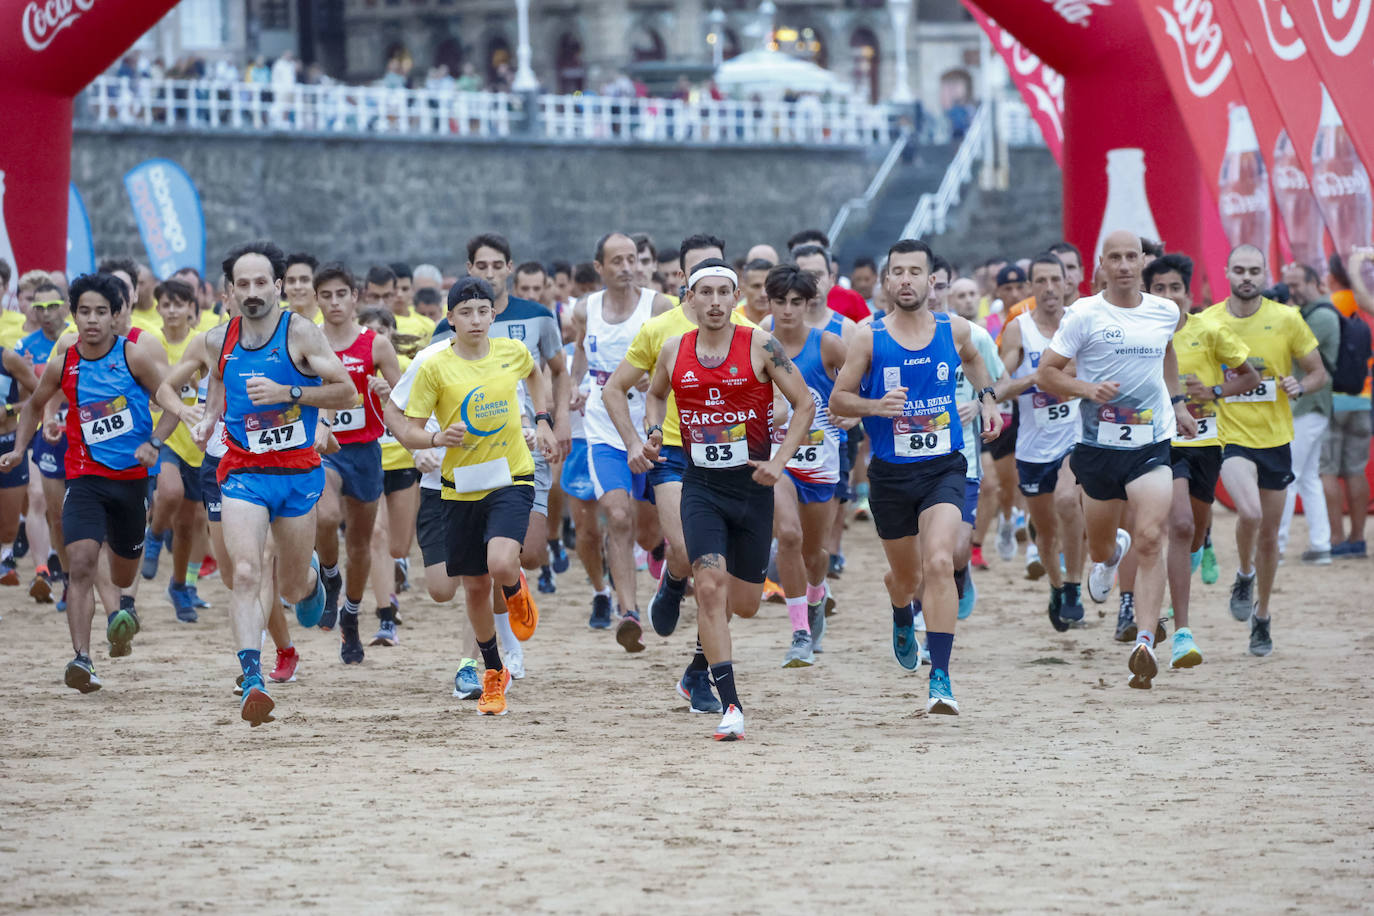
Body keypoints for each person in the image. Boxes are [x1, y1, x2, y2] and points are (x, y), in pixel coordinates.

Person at [643, 258, 816, 740]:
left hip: (753, 489)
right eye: (706, 293)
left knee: (744, 604)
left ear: (736, 299)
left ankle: (699, 661)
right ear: (690, 298)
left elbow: (806, 403)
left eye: (724, 293)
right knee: (710, 588)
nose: (715, 302)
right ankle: (731, 706)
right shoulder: (674, 350)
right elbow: (654, 395)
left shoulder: (760, 345)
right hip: (700, 489)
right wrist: (655, 430)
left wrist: (779, 463)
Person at [830, 239, 1002, 715]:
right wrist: (873, 407)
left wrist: (987, 398)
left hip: (943, 466)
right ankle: (901, 610)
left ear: (932, 281)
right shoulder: (868, 337)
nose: (906, 280)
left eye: (915, 272)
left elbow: (973, 359)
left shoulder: (955, 328)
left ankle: (941, 676)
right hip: (890, 475)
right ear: (886, 282)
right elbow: (838, 401)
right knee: (906, 578)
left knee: (940, 563)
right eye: (897, 272)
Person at [193, 241, 357, 726]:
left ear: (278, 286)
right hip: (243, 473)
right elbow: (217, 386)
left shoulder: (301, 333)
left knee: (290, 583)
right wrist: (204, 418)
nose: (252, 291)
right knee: (245, 573)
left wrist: (289, 391)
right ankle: (252, 676)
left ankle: (311, 582)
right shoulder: (219, 340)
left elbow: (345, 389)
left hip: (297, 473)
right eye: (242, 284)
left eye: (261, 282)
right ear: (231, 291)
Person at [0, 272, 178, 692]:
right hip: (85, 478)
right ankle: (82, 658)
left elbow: (169, 402)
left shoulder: (133, 357)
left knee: (120, 573)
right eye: (85, 312)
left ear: (116, 315)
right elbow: (34, 405)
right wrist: (19, 448)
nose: (93, 320)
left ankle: (124, 611)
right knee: (79, 564)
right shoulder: (65, 363)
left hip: (132, 482)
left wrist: (154, 442)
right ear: (74, 315)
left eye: (102, 311)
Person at [1037, 231, 1197, 690]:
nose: (1125, 265)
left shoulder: (1165, 311)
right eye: (1115, 258)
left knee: (1151, 537)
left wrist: (1179, 403)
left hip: (1151, 442)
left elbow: (1166, 354)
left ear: (1144, 260)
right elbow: (1048, 374)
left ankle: (1143, 640)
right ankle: (1107, 560)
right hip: (1099, 446)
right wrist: (1087, 390)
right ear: (1101, 264)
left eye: (1132, 256)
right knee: (1104, 545)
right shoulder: (1084, 314)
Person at [393, 277, 557, 717]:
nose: (476, 320)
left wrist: (542, 420)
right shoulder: (434, 366)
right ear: (450, 319)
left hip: (512, 476)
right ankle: (491, 673)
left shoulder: (512, 352)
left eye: (483, 311)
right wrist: (434, 437)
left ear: (493, 315)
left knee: (500, 563)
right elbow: (408, 426)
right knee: (474, 587)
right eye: (466, 312)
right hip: (460, 488)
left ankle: (517, 586)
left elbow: (536, 377)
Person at [602, 233, 741, 714]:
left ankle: (699, 671)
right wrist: (637, 441)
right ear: (684, 281)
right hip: (677, 454)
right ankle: (671, 578)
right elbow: (615, 389)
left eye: (719, 276)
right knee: (684, 550)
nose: (713, 291)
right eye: (700, 275)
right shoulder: (658, 329)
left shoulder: (744, 328)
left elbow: (781, 394)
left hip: (731, 458)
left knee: (721, 577)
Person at [1206, 244, 1326, 657]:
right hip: (1230, 436)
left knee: (1271, 538)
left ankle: (1263, 614)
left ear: (1264, 273)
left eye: (1254, 270)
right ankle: (1243, 575)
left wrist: (1300, 385)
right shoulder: (1209, 321)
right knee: (1251, 514)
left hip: (1276, 438)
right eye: (1239, 269)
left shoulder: (1287, 319)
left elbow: (1318, 372)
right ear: (1226, 272)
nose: (1246, 277)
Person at [1143, 252, 1256, 667]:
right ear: (1148, 293)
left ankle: (1172, 598)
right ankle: (1183, 632)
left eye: (1176, 289)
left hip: (1207, 444)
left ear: (1190, 295)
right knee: (1181, 524)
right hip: (1161, 443)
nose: (1169, 297)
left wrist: (1214, 392)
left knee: (1190, 531)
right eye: (1160, 289)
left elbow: (1251, 376)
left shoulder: (1210, 330)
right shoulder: (1144, 333)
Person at [568, 233, 670, 644]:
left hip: (651, 423)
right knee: (618, 514)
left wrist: (656, 379)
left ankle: (660, 555)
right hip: (603, 425)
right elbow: (579, 353)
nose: (627, 266)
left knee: (647, 532)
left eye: (632, 259)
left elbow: (678, 353)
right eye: (617, 260)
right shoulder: (583, 309)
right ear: (600, 267)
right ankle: (627, 611)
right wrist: (575, 387)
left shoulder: (659, 306)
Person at [314, 263, 402, 658]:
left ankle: (351, 615)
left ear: (356, 297)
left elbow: (405, 397)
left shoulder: (376, 345)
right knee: (327, 516)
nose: (334, 303)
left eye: (341, 294)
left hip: (365, 451)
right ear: (317, 300)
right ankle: (330, 577)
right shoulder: (307, 341)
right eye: (326, 295)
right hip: (324, 448)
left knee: (361, 545)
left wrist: (386, 390)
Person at [998, 253, 1085, 631]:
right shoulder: (1019, 329)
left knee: (1068, 502)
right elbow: (1000, 387)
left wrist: (1071, 377)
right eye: (1042, 281)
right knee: (1046, 531)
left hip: (1077, 438)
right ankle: (1056, 586)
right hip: (1033, 446)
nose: (1050, 288)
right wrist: (1038, 377)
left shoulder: (1081, 323)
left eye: (1056, 280)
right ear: (1032, 287)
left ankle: (1074, 587)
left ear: (1068, 283)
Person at [764, 264, 845, 666]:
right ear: (770, 302)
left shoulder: (828, 345)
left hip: (822, 462)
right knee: (789, 537)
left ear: (808, 304)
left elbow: (860, 387)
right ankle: (798, 632)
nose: (788, 310)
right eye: (780, 302)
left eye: (796, 302)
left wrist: (851, 413)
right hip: (778, 461)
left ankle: (816, 597)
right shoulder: (759, 345)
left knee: (817, 554)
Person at [142, 278, 212, 621]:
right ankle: (154, 535)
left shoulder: (203, 344)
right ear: (158, 308)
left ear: (191, 309)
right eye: (166, 304)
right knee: (169, 492)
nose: (172, 311)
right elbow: (153, 389)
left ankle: (181, 585)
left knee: (190, 524)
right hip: (169, 438)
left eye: (178, 304)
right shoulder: (151, 345)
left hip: (200, 442)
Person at [1277, 262, 1339, 563]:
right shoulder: (1310, 313)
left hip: (1309, 405)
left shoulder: (1323, 315)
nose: (1291, 291)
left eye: (1296, 284)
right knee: (1308, 478)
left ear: (1314, 282)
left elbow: (1288, 347)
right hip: (1310, 405)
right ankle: (1320, 544)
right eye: (1287, 285)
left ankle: (1275, 546)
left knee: (1288, 476)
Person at [1322, 253, 1372, 559]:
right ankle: (1358, 538)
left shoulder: (1328, 305)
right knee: (1356, 471)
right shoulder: (1366, 307)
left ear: (1330, 276)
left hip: (1331, 399)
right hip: (1362, 399)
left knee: (1326, 470)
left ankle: (1336, 538)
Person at [283, 252, 322, 324]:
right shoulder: (274, 318)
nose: (297, 287)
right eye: (291, 281)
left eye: (305, 280)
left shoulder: (328, 319)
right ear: (284, 286)